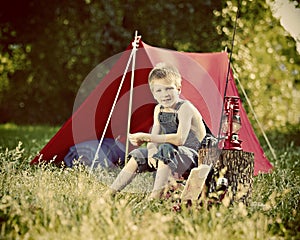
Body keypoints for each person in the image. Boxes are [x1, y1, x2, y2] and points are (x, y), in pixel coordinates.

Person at [106, 62, 206, 199]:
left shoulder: (185, 108)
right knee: (139, 154)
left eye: (169, 89)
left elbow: (180, 139)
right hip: (171, 152)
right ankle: (109, 194)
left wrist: (147, 137)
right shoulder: (158, 109)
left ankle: (154, 197)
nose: (164, 94)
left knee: (166, 148)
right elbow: (154, 135)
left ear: (178, 89)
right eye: (159, 90)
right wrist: (152, 149)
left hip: (192, 155)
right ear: (153, 93)